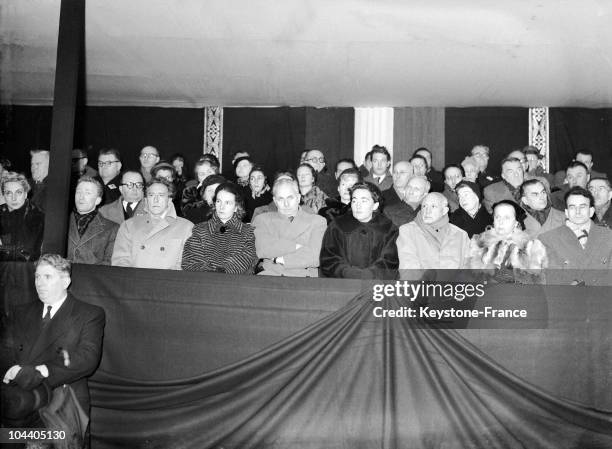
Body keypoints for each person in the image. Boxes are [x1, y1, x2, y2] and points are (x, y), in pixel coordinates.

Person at [1, 254, 104, 430]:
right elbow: (5, 350)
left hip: (63, 403)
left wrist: (44, 370)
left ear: (65, 282)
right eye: (37, 277)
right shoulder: (21, 311)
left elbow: (88, 358)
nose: (39, 283)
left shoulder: (89, 314)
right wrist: (11, 370)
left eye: (47, 277)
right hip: (19, 401)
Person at [320, 182, 399, 279]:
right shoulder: (337, 226)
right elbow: (329, 260)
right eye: (354, 201)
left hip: (376, 284)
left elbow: (389, 262)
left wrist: (369, 275)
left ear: (375, 205)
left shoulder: (388, 228)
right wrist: (348, 273)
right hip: (343, 284)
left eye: (364, 201)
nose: (358, 205)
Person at [112, 179, 193, 269]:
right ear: (146, 200)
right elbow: (120, 262)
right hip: (134, 280)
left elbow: (186, 265)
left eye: (161, 195)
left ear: (169, 200)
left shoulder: (186, 227)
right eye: (151, 195)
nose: (156, 200)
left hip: (169, 281)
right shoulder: (128, 225)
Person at [252, 177, 326, 276]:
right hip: (270, 276)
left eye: (290, 198)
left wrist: (279, 259)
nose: (286, 204)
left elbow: (315, 257)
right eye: (281, 199)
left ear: (298, 198)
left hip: (304, 279)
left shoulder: (317, 221)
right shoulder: (262, 220)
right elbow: (262, 249)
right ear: (275, 201)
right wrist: (297, 246)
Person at [539, 187, 612, 285]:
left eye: (582, 207)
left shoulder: (608, 237)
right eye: (572, 207)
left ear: (591, 211)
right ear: (566, 212)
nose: (577, 212)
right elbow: (552, 279)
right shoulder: (547, 239)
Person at [182, 182, 258, 274]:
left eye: (228, 203)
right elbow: (190, 262)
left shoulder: (248, 232)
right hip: (202, 282)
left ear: (236, 207)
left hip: (235, 284)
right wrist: (211, 273)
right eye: (218, 201)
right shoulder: (199, 230)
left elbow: (246, 259)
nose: (222, 207)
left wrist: (221, 273)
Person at [469, 200, 547, 284]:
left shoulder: (531, 247)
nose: (501, 222)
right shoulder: (479, 243)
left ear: (516, 223)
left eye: (506, 218)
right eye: (497, 217)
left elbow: (538, 281)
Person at [397, 193, 470, 275]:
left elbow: (468, 269)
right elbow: (409, 269)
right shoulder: (408, 231)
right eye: (424, 206)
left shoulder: (461, 235)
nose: (427, 211)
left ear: (444, 211)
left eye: (433, 206)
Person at [67, 176, 119, 265]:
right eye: (78, 192)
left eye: (87, 193)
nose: (81, 197)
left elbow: (108, 263)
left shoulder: (112, 228)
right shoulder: (61, 222)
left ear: (98, 200)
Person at [0, 173, 44, 261]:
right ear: (3, 195)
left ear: (25, 194)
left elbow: (27, 253)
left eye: (18, 192)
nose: (14, 198)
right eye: (9, 193)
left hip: (27, 269)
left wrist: (3, 247)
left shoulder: (37, 216)